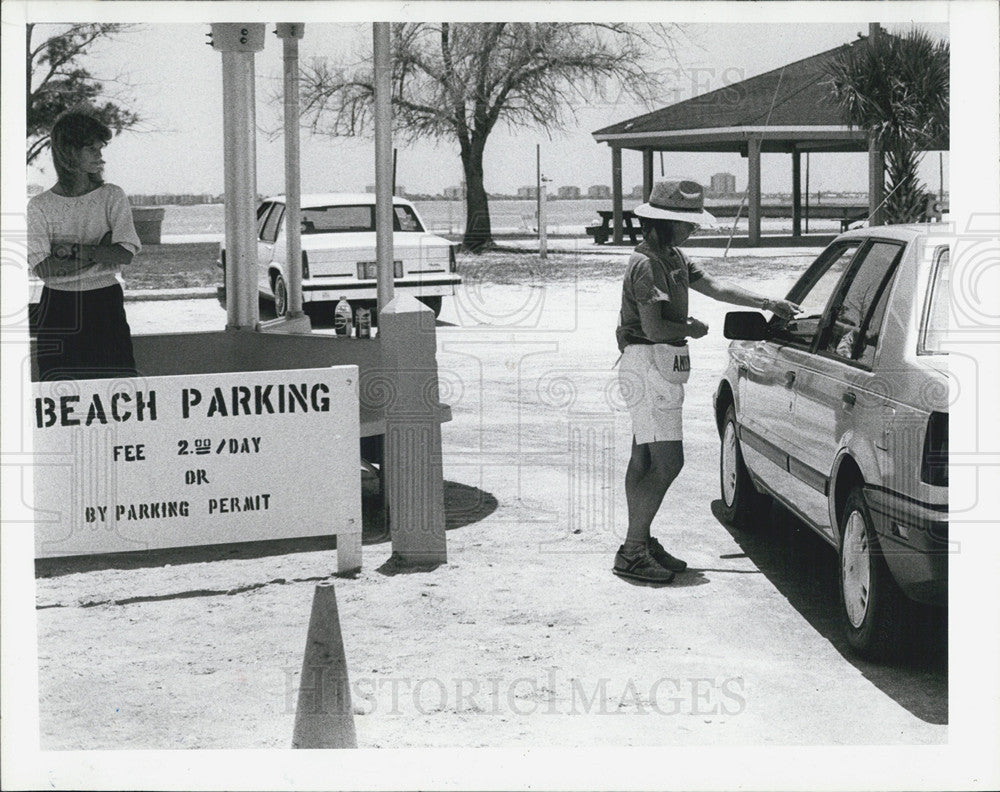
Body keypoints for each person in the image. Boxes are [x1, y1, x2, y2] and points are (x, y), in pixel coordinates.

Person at [613, 179, 800, 584]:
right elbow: (654, 327)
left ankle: (638, 542)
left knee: (644, 459)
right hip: (649, 362)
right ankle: (632, 549)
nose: (692, 228)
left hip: (655, 364)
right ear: (664, 222)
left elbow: (714, 286)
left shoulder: (672, 256)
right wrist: (691, 328)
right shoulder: (647, 263)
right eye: (686, 221)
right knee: (668, 462)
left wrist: (766, 302)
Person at [28, 110, 141, 381]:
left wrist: (71, 251)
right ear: (68, 152)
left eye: (100, 149)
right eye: (92, 149)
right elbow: (45, 269)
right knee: (58, 391)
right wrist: (99, 250)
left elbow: (125, 253)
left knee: (117, 387)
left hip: (105, 303)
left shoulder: (111, 196)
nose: (100, 157)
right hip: (57, 307)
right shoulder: (39, 206)